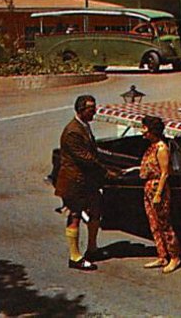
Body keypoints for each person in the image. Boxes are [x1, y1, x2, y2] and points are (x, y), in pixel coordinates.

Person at [55, 95, 116, 271]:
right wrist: (106, 171)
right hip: (75, 181)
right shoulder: (73, 131)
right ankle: (75, 257)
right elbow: (86, 158)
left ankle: (92, 248)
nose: (95, 112)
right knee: (75, 215)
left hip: (88, 181)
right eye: (91, 109)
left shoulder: (84, 126)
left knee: (95, 211)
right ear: (81, 110)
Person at [139, 115, 181, 274]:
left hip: (158, 188)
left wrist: (158, 194)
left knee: (164, 225)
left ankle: (174, 256)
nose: (143, 131)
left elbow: (164, 173)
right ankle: (162, 255)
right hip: (148, 187)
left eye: (145, 128)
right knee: (154, 224)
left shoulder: (162, 148)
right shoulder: (152, 146)